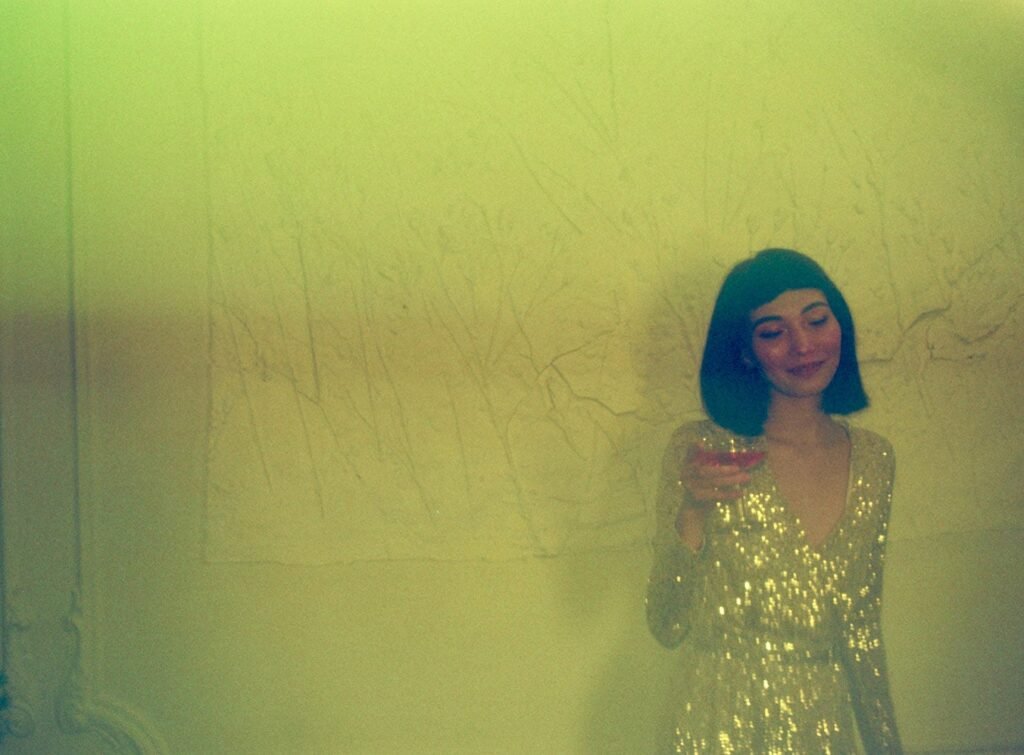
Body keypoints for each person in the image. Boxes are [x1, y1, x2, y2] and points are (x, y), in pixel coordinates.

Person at [646, 249, 903, 753]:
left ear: (840, 326)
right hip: (716, 725)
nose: (802, 344)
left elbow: (861, 631)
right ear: (745, 352)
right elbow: (667, 625)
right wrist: (692, 512)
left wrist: (886, 745)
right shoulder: (704, 451)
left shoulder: (874, 459)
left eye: (816, 320)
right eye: (772, 332)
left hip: (821, 729)